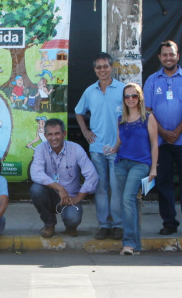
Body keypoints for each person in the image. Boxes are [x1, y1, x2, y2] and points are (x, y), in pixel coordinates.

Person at [143, 41, 182, 237]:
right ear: (159, 58)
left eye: (172, 54)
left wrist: (177, 131)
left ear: (178, 56)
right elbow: (147, 111)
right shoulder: (152, 80)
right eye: (164, 55)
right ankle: (169, 222)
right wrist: (163, 133)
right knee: (163, 183)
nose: (168, 58)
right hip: (160, 143)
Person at [75, 52, 124, 240]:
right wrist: (85, 131)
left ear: (111, 67)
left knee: (116, 187)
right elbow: (79, 112)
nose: (102, 70)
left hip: (117, 148)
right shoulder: (90, 91)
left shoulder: (122, 89)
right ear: (95, 69)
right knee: (101, 188)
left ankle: (118, 225)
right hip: (97, 149)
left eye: (105, 66)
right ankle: (104, 225)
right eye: (98, 67)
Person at [108, 83, 158, 255]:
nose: (130, 99)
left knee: (128, 199)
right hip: (121, 163)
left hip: (140, 164)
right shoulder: (120, 119)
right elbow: (120, 141)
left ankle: (128, 243)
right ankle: (135, 245)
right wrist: (113, 149)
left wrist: (153, 168)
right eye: (127, 96)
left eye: (134, 96)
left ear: (140, 98)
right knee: (129, 203)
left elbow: (154, 145)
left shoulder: (148, 118)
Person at [29, 118, 98, 238]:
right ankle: (49, 224)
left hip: (70, 198)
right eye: (49, 134)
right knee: (36, 189)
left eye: (57, 133)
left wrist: (78, 197)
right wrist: (60, 188)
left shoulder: (76, 149)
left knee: (73, 219)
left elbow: (92, 175)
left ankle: (70, 228)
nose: (53, 138)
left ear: (64, 134)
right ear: (45, 135)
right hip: (50, 195)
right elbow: (35, 173)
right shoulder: (41, 148)